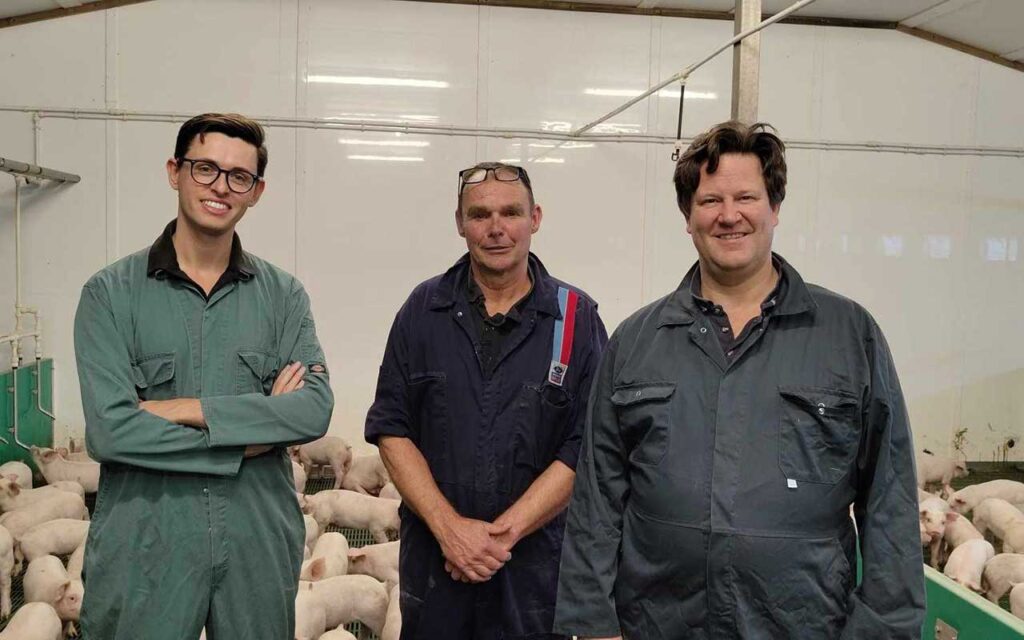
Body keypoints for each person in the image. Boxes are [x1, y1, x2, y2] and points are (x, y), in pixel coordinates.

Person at [554, 121, 925, 639]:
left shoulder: (847, 335)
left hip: (804, 625)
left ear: (775, 208)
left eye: (746, 197)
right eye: (709, 201)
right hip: (658, 623)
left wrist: (882, 628)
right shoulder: (638, 341)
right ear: (688, 217)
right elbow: (596, 499)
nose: (729, 215)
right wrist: (593, 624)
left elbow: (891, 501)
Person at [73, 113, 334, 639]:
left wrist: (186, 409)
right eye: (205, 168)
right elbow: (110, 430)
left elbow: (312, 408)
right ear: (175, 171)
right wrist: (249, 440)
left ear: (256, 191)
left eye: (239, 176)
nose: (220, 187)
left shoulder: (283, 296)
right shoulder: (110, 294)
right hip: (146, 538)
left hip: (256, 536)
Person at [365, 162, 607, 639]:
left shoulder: (576, 318)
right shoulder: (423, 309)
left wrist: (499, 538)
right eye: (479, 215)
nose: (496, 228)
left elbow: (588, 445)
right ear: (460, 223)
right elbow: (392, 427)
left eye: (510, 212)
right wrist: (450, 530)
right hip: (437, 567)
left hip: (533, 577)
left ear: (535, 218)